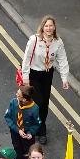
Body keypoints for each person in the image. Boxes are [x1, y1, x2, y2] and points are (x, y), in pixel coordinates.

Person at [18, 15, 70, 145]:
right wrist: (25, 78)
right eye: (46, 26)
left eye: (51, 26)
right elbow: (26, 59)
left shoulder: (58, 42)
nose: (48, 28)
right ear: (42, 27)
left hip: (47, 74)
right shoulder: (34, 40)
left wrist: (64, 78)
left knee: (45, 104)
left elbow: (62, 60)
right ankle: (38, 129)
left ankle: (40, 128)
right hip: (34, 74)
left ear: (54, 27)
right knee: (38, 102)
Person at [5, 85, 41, 159]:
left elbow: (37, 123)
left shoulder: (34, 108)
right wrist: (18, 130)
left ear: (24, 99)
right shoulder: (13, 103)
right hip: (15, 132)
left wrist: (31, 132)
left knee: (28, 152)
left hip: (27, 135)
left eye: (18, 94)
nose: (16, 95)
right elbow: (7, 117)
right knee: (17, 150)